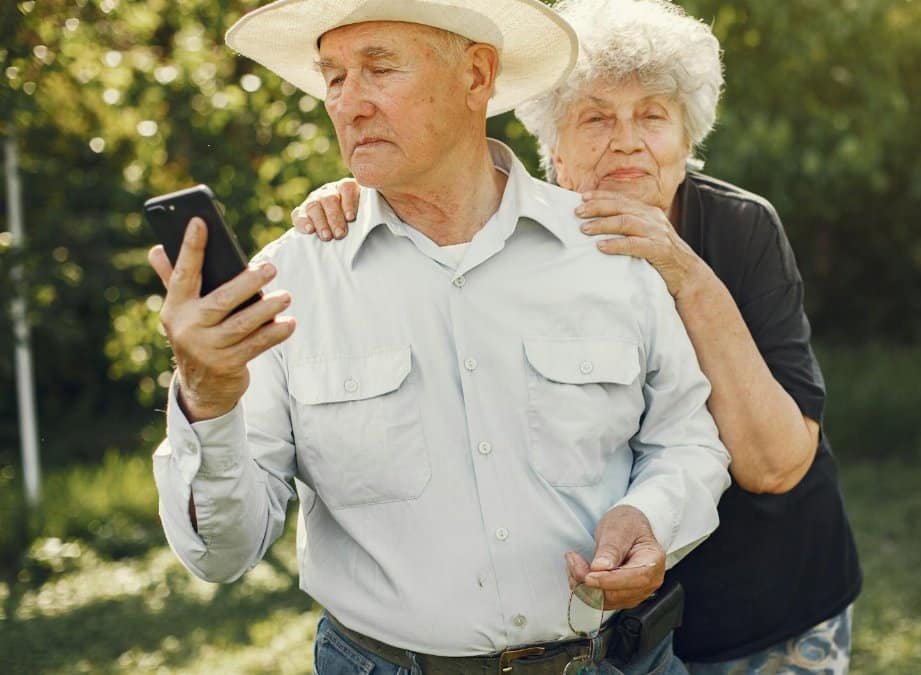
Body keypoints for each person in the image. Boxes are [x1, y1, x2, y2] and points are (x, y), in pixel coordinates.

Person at [146, 1, 733, 673]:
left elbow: (687, 437)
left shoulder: (607, 246)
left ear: (477, 75)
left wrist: (651, 515)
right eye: (334, 77)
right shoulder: (288, 284)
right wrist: (207, 398)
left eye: (378, 68)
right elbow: (221, 554)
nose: (349, 103)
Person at [292, 0, 863, 673]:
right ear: (553, 145)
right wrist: (375, 191)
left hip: (763, 604)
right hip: (610, 631)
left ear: (689, 138)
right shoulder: (522, 238)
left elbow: (777, 463)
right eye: (595, 117)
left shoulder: (740, 230)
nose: (626, 140)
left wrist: (683, 269)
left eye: (652, 115)